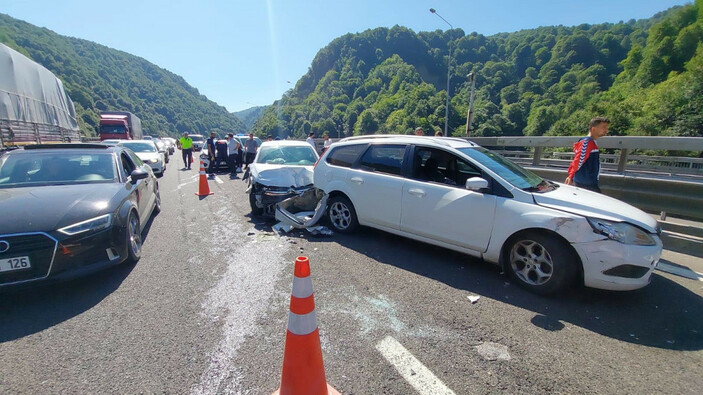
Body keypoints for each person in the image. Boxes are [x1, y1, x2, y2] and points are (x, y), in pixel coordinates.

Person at [565, 117, 610, 193]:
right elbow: (578, 159)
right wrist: (571, 176)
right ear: (593, 129)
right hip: (586, 183)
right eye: (603, 127)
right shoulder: (587, 142)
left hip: (588, 182)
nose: (606, 130)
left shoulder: (591, 142)